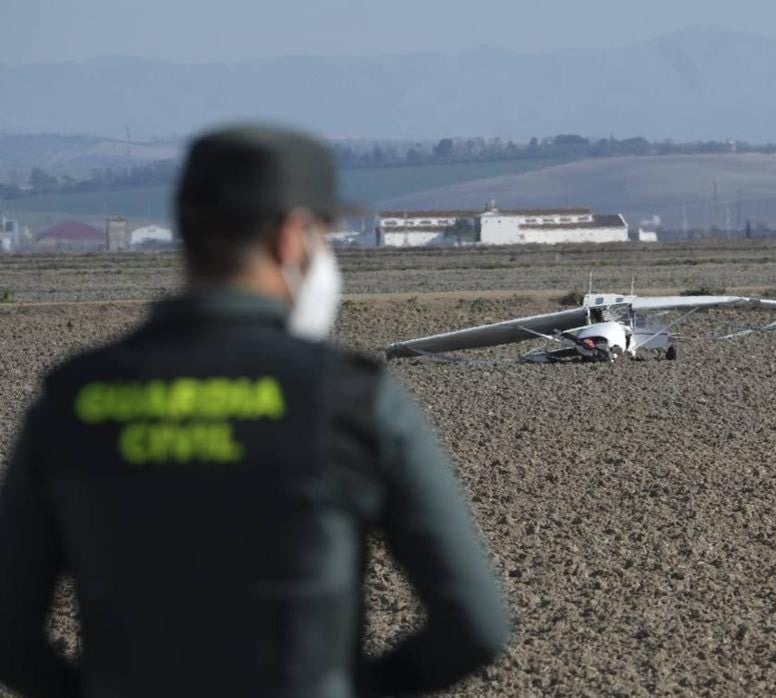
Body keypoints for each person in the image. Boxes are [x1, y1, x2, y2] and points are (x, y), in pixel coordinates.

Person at [0, 124, 511, 698]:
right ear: (293, 237)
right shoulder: (350, 398)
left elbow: (9, 634)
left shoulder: (75, 398)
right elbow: (477, 624)